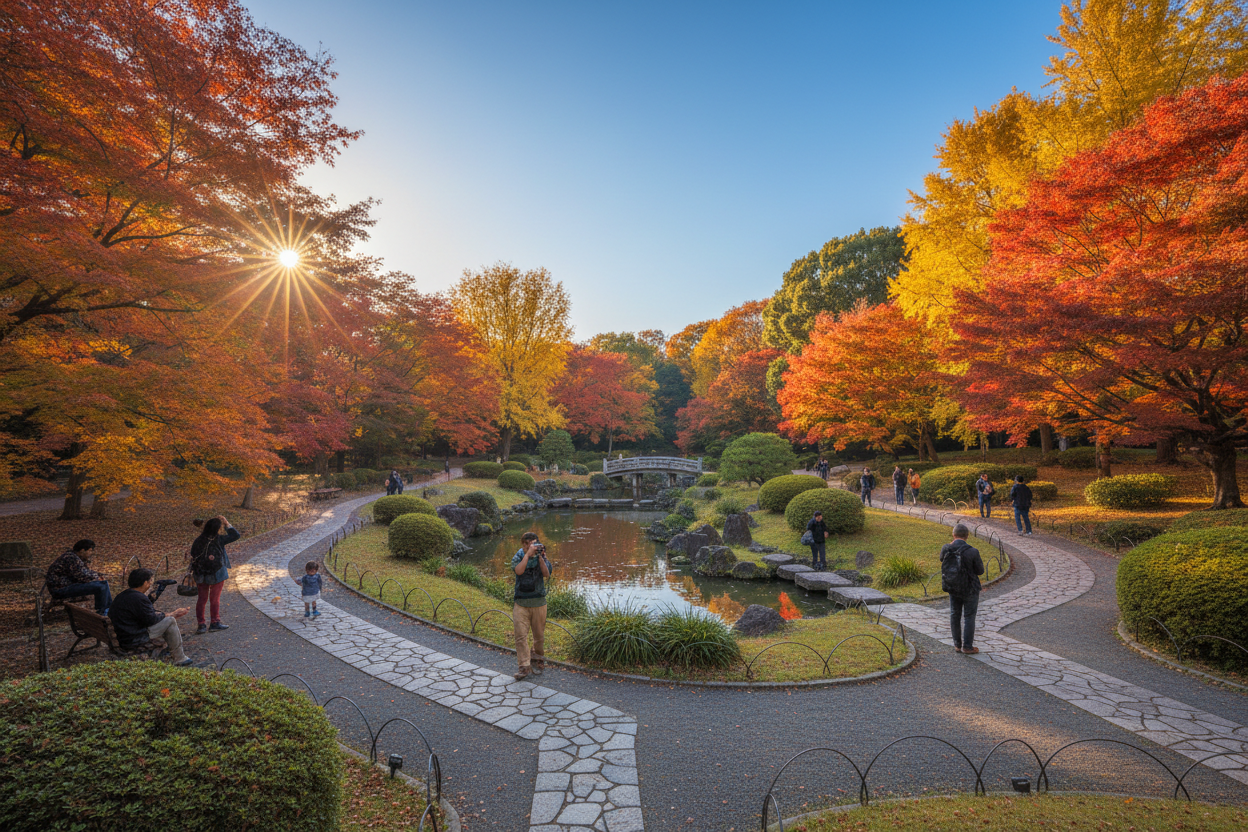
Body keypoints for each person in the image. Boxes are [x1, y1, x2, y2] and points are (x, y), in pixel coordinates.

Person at [110, 568, 193, 665]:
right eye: (151, 581)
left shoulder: (122, 596)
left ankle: (171, 651)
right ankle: (179, 658)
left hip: (124, 633)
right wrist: (171, 615)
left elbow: (145, 616)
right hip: (135, 637)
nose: (151, 584)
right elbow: (151, 620)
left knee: (168, 620)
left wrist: (165, 615)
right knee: (170, 620)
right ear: (145, 583)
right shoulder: (139, 598)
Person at [190, 515, 240, 634]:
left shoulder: (198, 540)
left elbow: (193, 554)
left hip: (200, 574)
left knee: (201, 599)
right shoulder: (219, 539)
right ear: (217, 529)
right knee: (215, 599)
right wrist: (227, 523)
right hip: (217, 573)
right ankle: (214, 622)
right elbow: (236, 535)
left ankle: (201, 624)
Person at [511, 531, 551, 681]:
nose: (531, 546)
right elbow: (518, 571)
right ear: (524, 544)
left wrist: (540, 557)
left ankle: (537, 658)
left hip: (539, 603)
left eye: (534, 543)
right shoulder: (519, 556)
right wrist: (528, 555)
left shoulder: (541, 555)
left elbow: (546, 574)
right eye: (529, 544)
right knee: (520, 636)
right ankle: (523, 667)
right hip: (521, 602)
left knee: (539, 637)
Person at [941, 524, 985, 654]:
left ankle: (957, 645)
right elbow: (980, 571)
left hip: (953, 586)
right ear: (967, 536)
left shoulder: (946, 548)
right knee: (969, 616)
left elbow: (941, 559)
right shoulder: (973, 551)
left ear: (953, 535)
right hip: (970, 588)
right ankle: (967, 646)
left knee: (954, 614)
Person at [46, 539, 112, 614]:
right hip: (60, 589)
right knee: (101, 586)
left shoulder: (74, 557)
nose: (91, 553)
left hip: (65, 586)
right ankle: (103, 612)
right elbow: (82, 576)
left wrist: (98, 575)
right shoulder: (71, 558)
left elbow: (85, 572)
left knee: (103, 583)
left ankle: (108, 609)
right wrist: (97, 577)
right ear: (82, 550)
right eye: (90, 551)